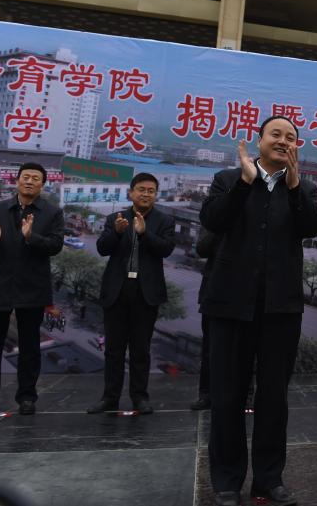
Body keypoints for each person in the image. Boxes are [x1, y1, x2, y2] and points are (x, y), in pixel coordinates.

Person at [199, 116, 317, 506]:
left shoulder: (303, 187)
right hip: (229, 303)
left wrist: (294, 188)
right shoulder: (228, 179)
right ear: (259, 141)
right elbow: (213, 219)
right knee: (227, 396)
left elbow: (312, 227)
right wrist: (245, 181)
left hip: (280, 308)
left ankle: (269, 480)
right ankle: (226, 481)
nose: (283, 141)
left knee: (274, 398)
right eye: (276, 134)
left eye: (291, 137)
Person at [0, 163, 64, 416]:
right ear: (17, 180)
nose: (30, 181)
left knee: (30, 347)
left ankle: (27, 397)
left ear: (42, 184)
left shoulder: (52, 213)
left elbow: (55, 246)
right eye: (26, 177)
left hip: (32, 288)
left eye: (35, 178)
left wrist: (31, 236)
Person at [87, 173, 176, 415]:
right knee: (113, 350)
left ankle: (139, 397)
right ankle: (110, 398)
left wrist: (145, 233)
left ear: (156, 194)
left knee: (141, 349)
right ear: (131, 193)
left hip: (146, 293)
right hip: (117, 290)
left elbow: (166, 249)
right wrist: (116, 232)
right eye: (141, 190)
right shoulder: (115, 218)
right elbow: (102, 248)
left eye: (151, 191)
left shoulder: (164, 221)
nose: (146, 194)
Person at [190, 225, 220, 411]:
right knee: (209, 348)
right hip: (213, 291)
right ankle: (206, 394)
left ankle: (246, 396)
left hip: (245, 292)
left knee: (244, 347)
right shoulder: (216, 216)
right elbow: (202, 248)